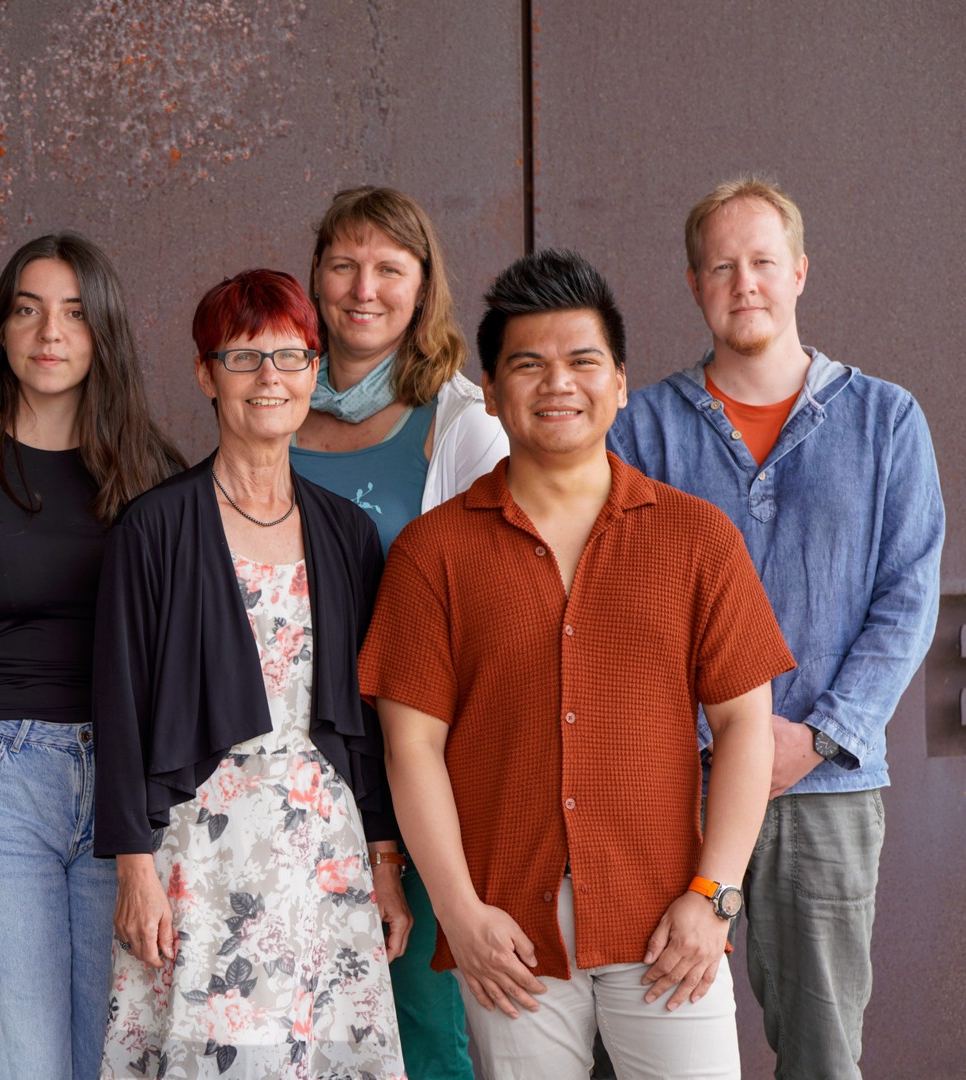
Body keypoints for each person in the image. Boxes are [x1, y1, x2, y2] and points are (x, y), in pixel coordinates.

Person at [359, 249, 796, 1080]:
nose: (557, 383)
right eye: (528, 364)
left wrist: (715, 898)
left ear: (620, 383)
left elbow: (745, 725)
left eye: (582, 361)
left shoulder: (695, 538)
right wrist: (459, 912)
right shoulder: (431, 553)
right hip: (506, 934)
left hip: (668, 921)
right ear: (490, 392)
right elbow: (409, 747)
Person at [609, 178, 944, 1080]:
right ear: (693, 284)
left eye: (761, 261)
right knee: (655, 1043)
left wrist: (819, 736)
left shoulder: (884, 420)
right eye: (721, 267)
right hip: (676, 788)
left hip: (825, 785)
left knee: (821, 1056)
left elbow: (907, 598)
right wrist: (705, 742)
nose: (743, 283)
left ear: (798, 272)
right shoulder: (639, 429)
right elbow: (620, 606)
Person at [0, 233, 184, 1080]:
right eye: (28, 309)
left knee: (111, 1057)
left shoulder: (154, 474)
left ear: (104, 332)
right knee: (18, 1061)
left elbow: (176, 665)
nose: (49, 332)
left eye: (75, 313)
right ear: (1, 329)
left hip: (125, 796)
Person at [96, 269, 407, 1079]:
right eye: (242, 357)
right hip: (202, 851)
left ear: (314, 371)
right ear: (206, 375)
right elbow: (119, 707)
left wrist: (384, 863)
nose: (269, 377)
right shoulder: (153, 528)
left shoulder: (346, 533)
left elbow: (365, 721)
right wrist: (134, 870)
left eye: (289, 356)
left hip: (323, 845)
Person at [290, 184, 507, 1078]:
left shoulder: (459, 424)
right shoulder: (269, 403)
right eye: (342, 265)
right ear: (315, 279)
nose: (362, 288)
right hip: (289, 761)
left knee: (420, 1016)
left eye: (388, 268)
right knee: (297, 1014)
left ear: (423, 287)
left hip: (412, 761)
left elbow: (496, 603)